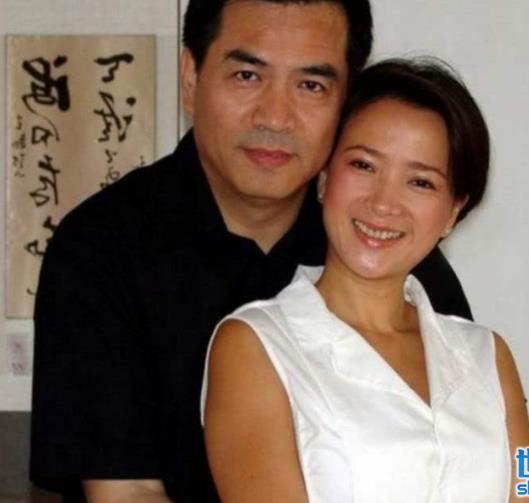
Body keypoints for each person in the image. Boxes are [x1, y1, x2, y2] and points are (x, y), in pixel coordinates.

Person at [30, 2, 473, 503]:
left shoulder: (390, 254)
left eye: (311, 85)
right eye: (247, 75)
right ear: (191, 77)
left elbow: (505, 461)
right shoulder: (100, 248)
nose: (276, 117)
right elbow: (125, 494)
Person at [202, 59, 529, 503]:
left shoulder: (487, 354)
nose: (384, 203)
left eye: (420, 182)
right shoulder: (256, 345)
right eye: (364, 165)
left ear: (452, 212)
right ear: (325, 177)